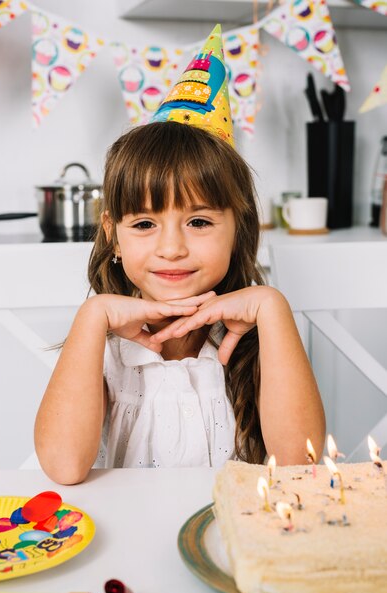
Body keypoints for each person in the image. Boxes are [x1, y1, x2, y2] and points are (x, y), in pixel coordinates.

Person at [34, 26, 325, 485]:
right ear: (112, 234)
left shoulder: (256, 338)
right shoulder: (103, 347)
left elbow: (299, 466)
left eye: (200, 222)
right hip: (128, 541)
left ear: (239, 227)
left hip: (231, 545)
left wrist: (272, 306)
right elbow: (65, 467)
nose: (172, 248)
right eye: (145, 224)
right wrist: (92, 317)